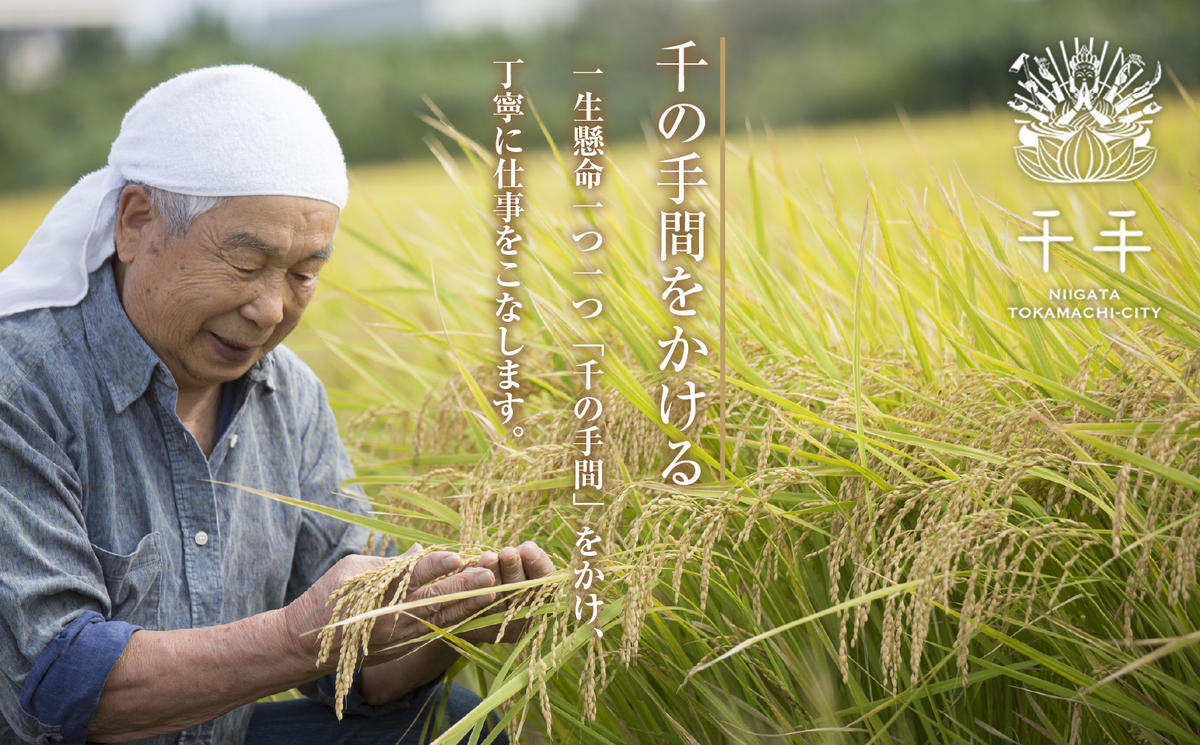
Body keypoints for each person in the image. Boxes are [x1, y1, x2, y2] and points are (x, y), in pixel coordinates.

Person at [0, 64, 550, 744]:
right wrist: (300, 636)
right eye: (244, 262)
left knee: (457, 721)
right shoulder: (19, 382)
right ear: (137, 222)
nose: (269, 308)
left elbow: (356, 669)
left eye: (303, 273)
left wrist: (446, 618)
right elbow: (57, 687)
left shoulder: (287, 394)